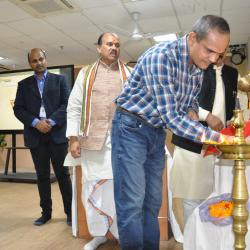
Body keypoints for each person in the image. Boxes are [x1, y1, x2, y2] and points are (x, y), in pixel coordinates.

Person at [111, 15, 232, 250]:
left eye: (219, 54)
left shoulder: (199, 66)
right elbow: (173, 118)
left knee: (152, 202)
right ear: (194, 38)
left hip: (155, 132)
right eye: (209, 51)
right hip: (130, 129)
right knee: (132, 203)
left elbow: (188, 104)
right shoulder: (161, 57)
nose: (214, 59)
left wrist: (193, 111)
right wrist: (219, 138)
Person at [66, 33, 131, 250]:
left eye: (117, 45)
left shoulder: (129, 73)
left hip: (123, 141)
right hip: (92, 141)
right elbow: (74, 106)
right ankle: (99, 233)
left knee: (122, 190)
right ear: (98, 48)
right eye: (109, 44)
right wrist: (73, 138)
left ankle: (123, 233)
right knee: (93, 187)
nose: (114, 47)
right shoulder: (85, 74)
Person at [169, 54, 238, 239]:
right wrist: (207, 116)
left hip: (219, 148)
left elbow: (231, 108)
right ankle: (192, 241)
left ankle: (209, 241)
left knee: (215, 196)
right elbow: (180, 102)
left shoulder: (232, 73)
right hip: (191, 144)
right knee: (192, 196)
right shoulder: (192, 67)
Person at [184, 74, 250, 250]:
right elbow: (185, 106)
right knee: (191, 197)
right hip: (197, 141)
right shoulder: (195, 75)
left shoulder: (230, 73)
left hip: (219, 140)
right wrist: (209, 120)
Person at [13, 48, 72, 226]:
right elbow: (18, 109)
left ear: (46, 59)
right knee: (42, 176)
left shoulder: (60, 80)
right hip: (35, 136)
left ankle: (70, 213)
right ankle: (46, 213)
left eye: (41, 59)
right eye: (34, 61)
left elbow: (67, 104)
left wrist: (51, 121)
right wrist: (35, 122)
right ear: (30, 63)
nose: (38, 63)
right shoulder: (23, 85)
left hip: (57, 135)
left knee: (63, 175)